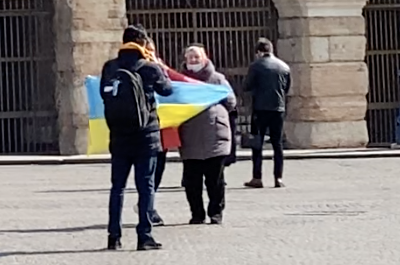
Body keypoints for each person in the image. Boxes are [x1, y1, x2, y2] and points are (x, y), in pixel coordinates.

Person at [98, 27, 173, 251]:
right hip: (146, 135)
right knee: (145, 186)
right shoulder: (149, 67)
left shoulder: (110, 67)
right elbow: (167, 90)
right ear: (142, 43)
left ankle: (114, 236)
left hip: (119, 134)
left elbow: (104, 93)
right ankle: (144, 236)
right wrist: (159, 66)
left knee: (117, 187)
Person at [172, 45, 234, 225]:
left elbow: (230, 101)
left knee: (215, 179)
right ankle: (196, 213)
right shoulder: (181, 82)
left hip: (214, 135)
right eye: (190, 57)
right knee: (192, 181)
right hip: (189, 137)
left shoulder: (216, 79)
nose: (193, 60)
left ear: (205, 58)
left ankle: (216, 213)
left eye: (196, 57)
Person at [242, 37, 293, 189]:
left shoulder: (256, 66)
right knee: (277, 144)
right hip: (278, 108)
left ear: (258, 52)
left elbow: (246, 86)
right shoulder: (284, 66)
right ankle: (278, 178)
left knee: (258, 143)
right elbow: (287, 88)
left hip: (260, 108)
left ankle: (257, 177)